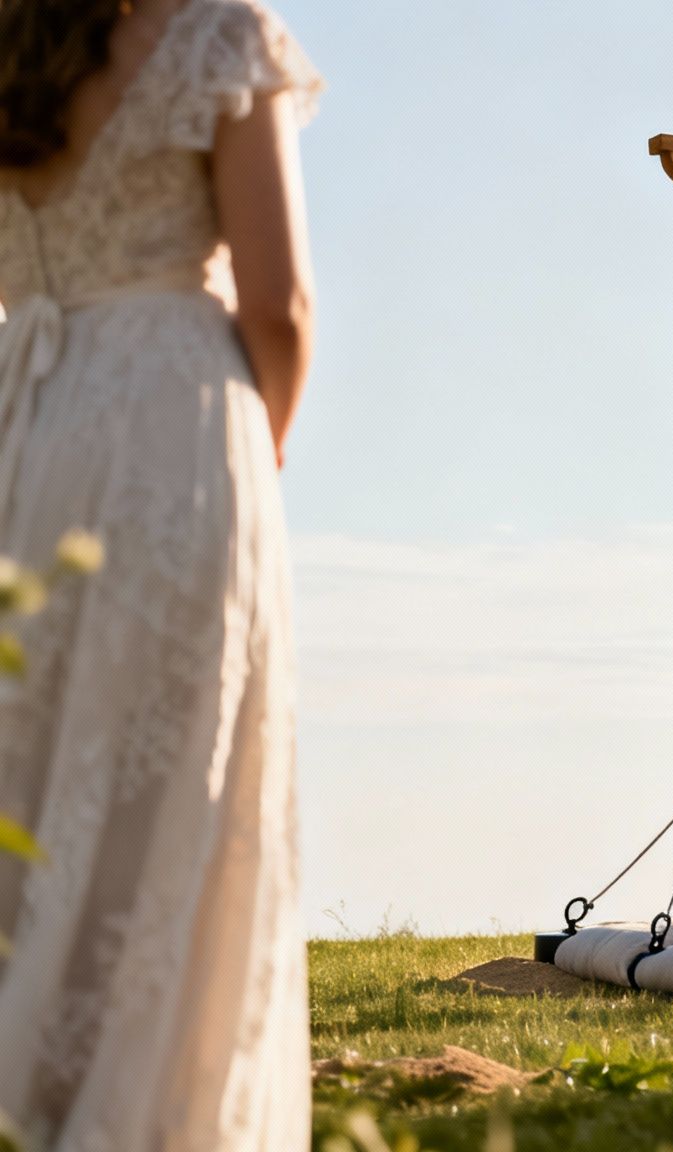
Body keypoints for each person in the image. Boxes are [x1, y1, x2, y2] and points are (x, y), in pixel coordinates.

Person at [0, 0, 319, 1147]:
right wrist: (259, 442)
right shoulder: (215, 33)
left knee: (30, 770)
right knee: (173, 779)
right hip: (169, 422)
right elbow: (279, 307)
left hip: (27, 418)